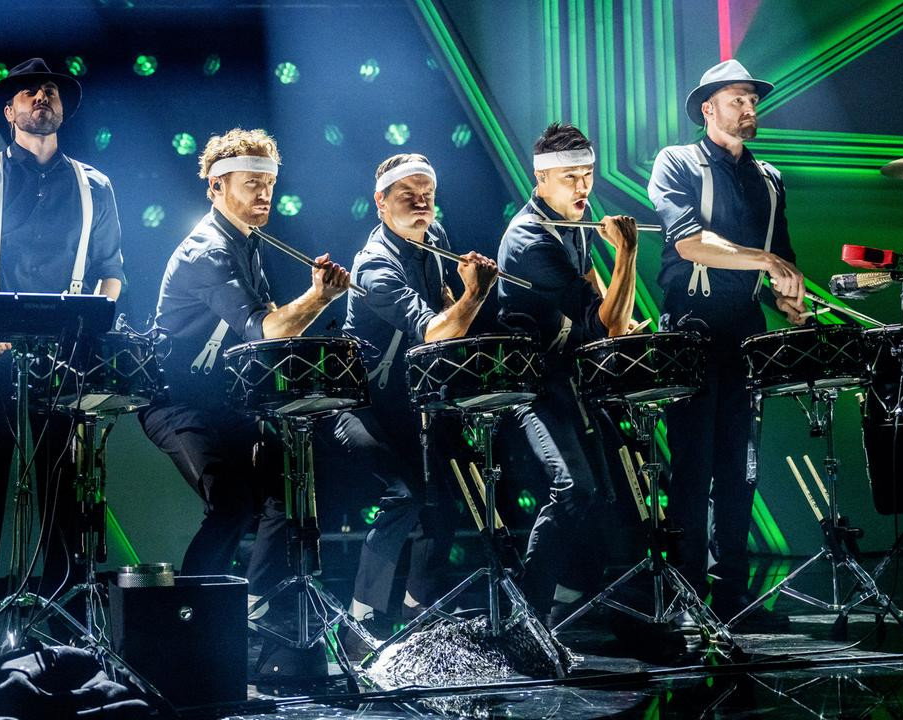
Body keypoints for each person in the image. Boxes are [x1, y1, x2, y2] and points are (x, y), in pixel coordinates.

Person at [0, 58, 125, 634]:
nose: (42, 97)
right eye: (29, 92)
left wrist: (91, 332)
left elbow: (111, 273)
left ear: (62, 109)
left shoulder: (95, 185)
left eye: (50, 91)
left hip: (66, 358)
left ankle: (66, 631)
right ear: (9, 111)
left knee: (66, 500)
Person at [139, 128, 350, 610]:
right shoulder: (208, 251)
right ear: (216, 186)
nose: (264, 193)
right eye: (252, 183)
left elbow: (270, 320)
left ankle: (255, 606)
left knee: (288, 491)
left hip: (223, 401)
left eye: (269, 183)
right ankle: (191, 617)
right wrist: (319, 297)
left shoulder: (247, 242)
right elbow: (264, 329)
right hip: (176, 402)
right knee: (232, 504)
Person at [647, 59, 805, 629]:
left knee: (741, 468)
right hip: (692, 325)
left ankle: (733, 597)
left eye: (752, 100)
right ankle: (687, 597)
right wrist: (765, 262)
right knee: (693, 468)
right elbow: (688, 244)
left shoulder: (770, 177)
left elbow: (781, 257)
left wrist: (790, 301)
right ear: (708, 107)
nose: (749, 108)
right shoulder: (676, 162)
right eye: (738, 100)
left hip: (745, 329)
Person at [334, 153, 499, 637]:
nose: (421, 202)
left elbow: (444, 300)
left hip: (409, 399)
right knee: (403, 494)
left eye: (427, 193)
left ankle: (418, 611)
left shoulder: (434, 236)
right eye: (408, 194)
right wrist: (475, 295)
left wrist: (459, 296)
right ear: (381, 202)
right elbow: (434, 331)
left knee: (443, 501)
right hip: (361, 402)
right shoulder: (374, 267)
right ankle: (361, 619)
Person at [496, 123, 640, 621]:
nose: (583, 187)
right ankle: (528, 614)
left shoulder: (570, 222)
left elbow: (597, 295)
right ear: (541, 178)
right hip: (531, 386)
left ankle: (572, 594)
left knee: (604, 492)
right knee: (573, 488)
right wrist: (628, 253)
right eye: (570, 177)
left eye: (588, 175)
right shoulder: (531, 240)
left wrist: (621, 314)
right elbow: (606, 323)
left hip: (566, 378)